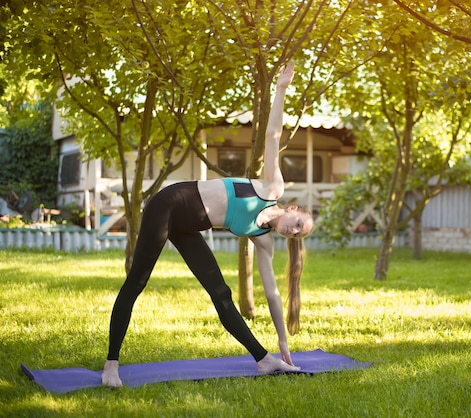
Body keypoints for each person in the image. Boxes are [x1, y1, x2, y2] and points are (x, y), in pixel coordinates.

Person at [102, 62, 314, 387]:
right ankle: (111, 366)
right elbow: (272, 136)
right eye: (298, 223)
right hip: (168, 204)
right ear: (293, 209)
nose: (294, 230)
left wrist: (283, 341)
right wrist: (282, 88)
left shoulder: (263, 240)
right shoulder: (272, 189)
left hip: (189, 228)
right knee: (137, 282)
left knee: (221, 293)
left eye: (298, 233)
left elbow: (271, 293)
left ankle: (264, 359)